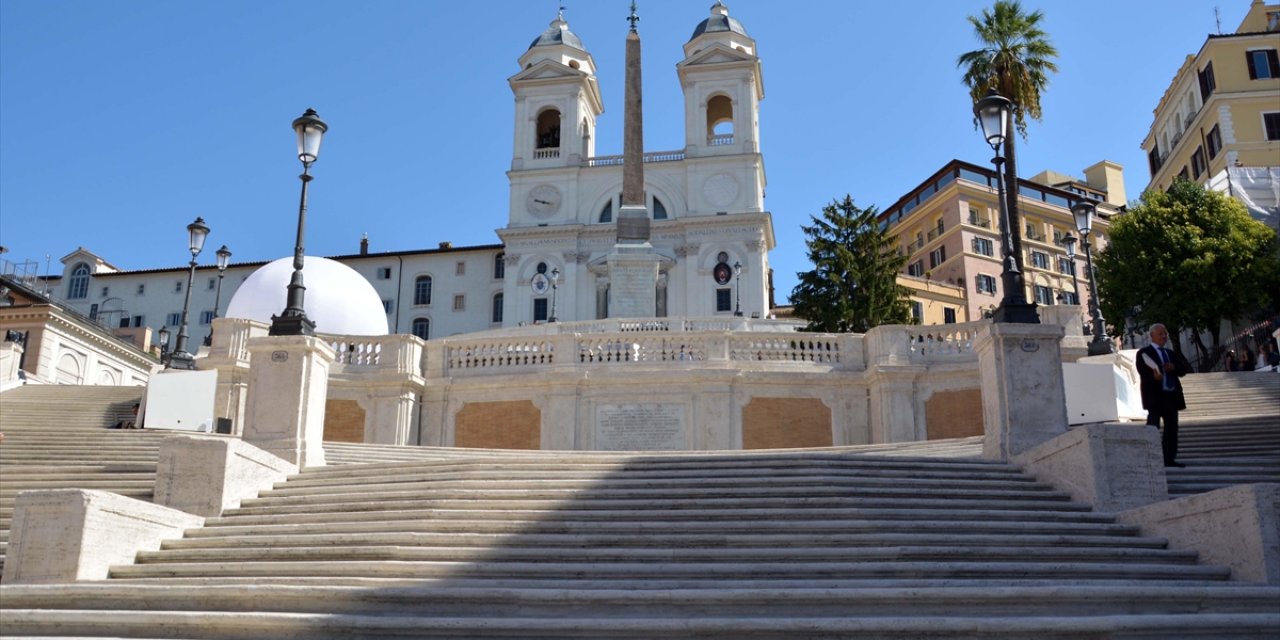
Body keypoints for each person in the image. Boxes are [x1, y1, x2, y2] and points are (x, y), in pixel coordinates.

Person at [1135, 324, 1192, 467]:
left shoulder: (1170, 353)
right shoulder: (1144, 353)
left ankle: (1169, 459)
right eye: (1161, 334)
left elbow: (1183, 369)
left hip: (1171, 397)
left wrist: (1174, 367)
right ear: (1152, 336)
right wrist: (1155, 377)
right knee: (1152, 429)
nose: (1164, 336)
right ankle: (1150, 458)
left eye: (1165, 334)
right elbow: (1142, 372)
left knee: (1171, 430)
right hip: (1155, 398)